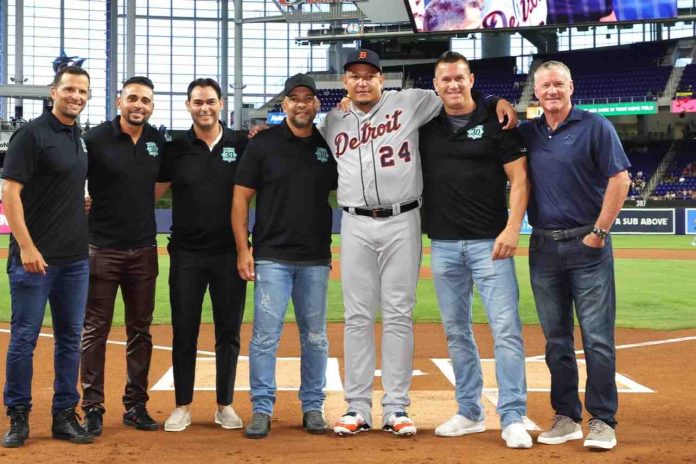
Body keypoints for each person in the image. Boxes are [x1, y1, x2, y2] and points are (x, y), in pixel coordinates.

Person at [319, 49, 517, 436]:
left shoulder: (414, 101)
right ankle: (357, 407)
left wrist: (498, 100)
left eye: (370, 74)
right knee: (357, 316)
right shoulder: (332, 120)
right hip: (354, 222)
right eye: (354, 76)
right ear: (345, 82)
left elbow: (462, 97)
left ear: (382, 78)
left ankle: (395, 407)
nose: (362, 81)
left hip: (402, 219)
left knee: (398, 313)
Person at [419, 51, 532, 448]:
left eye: (459, 78)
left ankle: (513, 415)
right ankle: (469, 411)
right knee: (456, 332)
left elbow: (519, 179)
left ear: (471, 80)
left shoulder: (495, 119)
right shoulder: (426, 124)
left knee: (506, 330)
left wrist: (513, 228)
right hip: (444, 244)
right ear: (435, 85)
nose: (452, 85)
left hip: (491, 244)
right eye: (445, 79)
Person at [518, 60, 631, 451]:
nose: (551, 91)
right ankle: (566, 417)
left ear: (571, 87)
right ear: (536, 91)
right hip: (544, 246)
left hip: (588, 244)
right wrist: (497, 103)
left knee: (598, 338)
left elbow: (621, 178)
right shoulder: (527, 132)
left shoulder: (596, 126)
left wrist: (600, 233)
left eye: (558, 85)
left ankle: (602, 420)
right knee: (556, 341)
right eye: (545, 85)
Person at [232, 74, 337, 439]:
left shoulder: (328, 146)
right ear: (285, 104)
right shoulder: (263, 145)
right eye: (294, 98)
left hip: (314, 257)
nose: (302, 103)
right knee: (265, 337)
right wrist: (244, 249)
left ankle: (313, 407)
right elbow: (240, 198)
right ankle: (261, 408)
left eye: (308, 97)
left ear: (316, 104)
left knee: (316, 338)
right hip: (272, 256)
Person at [2, 66, 94, 447]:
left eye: (82, 91)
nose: (76, 96)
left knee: (71, 339)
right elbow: (10, 193)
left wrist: (79, 201)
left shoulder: (79, 136)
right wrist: (26, 246)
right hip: (35, 260)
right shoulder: (31, 135)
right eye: (69, 89)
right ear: (53, 92)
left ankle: (63, 415)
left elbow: (59, 186)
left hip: (75, 258)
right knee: (24, 338)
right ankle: (19, 417)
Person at [157, 78, 248, 432]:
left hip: (229, 254)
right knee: (184, 330)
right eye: (197, 102)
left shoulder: (240, 144)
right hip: (186, 255)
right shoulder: (176, 147)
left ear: (221, 104)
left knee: (229, 331)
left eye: (210, 101)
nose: (204, 107)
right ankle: (182, 405)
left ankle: (224, 404)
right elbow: (146, 190)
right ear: (188, 105)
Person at [79, 76, 164, 436]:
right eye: (132, 98)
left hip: (144, 249)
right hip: (102, 249)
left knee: (140, 331)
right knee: (95, 330)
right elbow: (74, 177)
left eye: (145, 100)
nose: (138, 105)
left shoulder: (157, 141)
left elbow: (162, 183)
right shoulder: (95, 138)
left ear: (151, 106)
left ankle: (135, 405)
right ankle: (93, 407)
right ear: (118, 101)